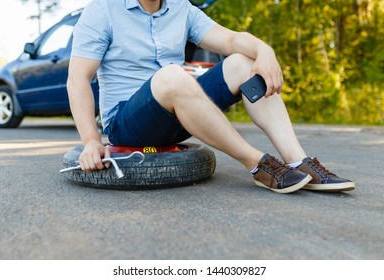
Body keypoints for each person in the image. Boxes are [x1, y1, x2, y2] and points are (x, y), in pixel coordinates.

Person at [67, 0, 355, 194]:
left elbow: (229, 39)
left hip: (176, 113)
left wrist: (265, 51)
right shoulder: (102, 9)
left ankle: (298, 161)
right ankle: (258, 164)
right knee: (172, 75)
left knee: (242, 61)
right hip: (127, 123)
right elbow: (78, 79)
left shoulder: (181, 8)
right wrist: (91, 141)